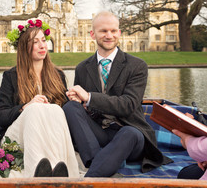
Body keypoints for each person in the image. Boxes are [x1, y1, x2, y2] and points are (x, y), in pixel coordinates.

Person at [63, 11, 171, 177]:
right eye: (103, 31)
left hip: (130, 133)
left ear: (119, 33)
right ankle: (98, 165)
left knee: (129, 133)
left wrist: (89, 97)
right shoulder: (82, 68)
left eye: (113, 31)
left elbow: (128, 105)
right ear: (92, 34)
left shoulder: (137, 66)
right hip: (99, 134)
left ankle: (90, 177)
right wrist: (80, 102)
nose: (109, 35)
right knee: (70, 107)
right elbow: (85, 111)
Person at [0, 19, 79, 178]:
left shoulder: (57, 75)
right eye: (35, 42)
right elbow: (1, 116)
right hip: (17, 139)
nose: (42, 45)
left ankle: (57, 170)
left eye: (43, 40)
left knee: (54, 109)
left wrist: (73, 100)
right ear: (24, 47)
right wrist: (26, 106)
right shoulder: (11, 76)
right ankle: (36, 173)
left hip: (49, 138)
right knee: (35, 109)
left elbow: (64, 114)